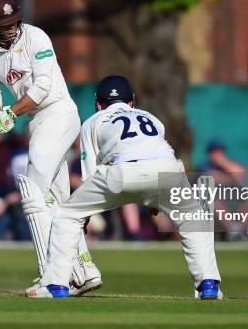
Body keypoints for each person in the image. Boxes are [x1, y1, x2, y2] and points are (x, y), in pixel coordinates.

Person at [27, 76, 222, 299]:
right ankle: (208, 284)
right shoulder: (152, 117)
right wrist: (154, 201)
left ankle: (56, 285)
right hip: (167, 169)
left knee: (66, 215)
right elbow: (154, 152)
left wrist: (85, 214)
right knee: (194, 218)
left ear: (98, 104)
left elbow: (90, 173)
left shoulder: (93, 121)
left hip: (121, 171)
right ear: (131, 103)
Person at [0, 0, 100, 294]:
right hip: (38, 124)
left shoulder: (36, 37)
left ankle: (51, 278)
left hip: (59, 113)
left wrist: (11, 114)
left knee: (32, 192)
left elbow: (42, 88)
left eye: (14, 22)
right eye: (4, 26)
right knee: (59, 202)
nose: (12, 29)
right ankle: (85, 269)